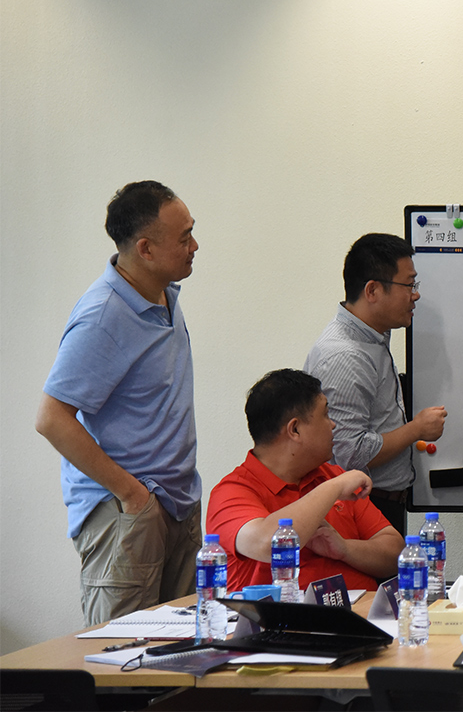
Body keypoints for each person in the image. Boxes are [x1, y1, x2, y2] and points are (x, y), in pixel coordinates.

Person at [36, 181, 203, 625]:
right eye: (184, 237)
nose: (195, 246)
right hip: (128, 513)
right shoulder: (103, 316)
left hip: (177, 504)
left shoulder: (164, 293)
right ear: (145, 249)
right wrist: (132, 494)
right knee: (123, 655)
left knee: (187, 652)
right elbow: (51, 418)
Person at [207, 369, 404, 592]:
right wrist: (334, 488)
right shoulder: (232, 491)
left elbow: (395, 553)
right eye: (325, 415)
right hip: (286, 613)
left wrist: (345, 549)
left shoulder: (333, 475)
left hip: (362, 611)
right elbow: (268, 544)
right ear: (295, 429)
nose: (333, 425)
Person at [304, 233, 446, 535]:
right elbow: (351, 453)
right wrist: (416, 429)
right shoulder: (344, 355)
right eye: (409, 285)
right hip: (362, 507)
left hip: (380, 503)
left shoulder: (372, 337)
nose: (416, 295)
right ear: (372, 290)